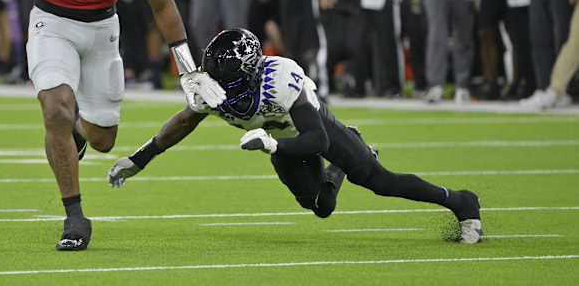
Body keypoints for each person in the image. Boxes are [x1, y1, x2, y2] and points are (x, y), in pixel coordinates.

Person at [0, 0, 226, 251]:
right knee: (56, 107)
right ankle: (74, 215)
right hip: (51, 21)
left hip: (102, 28)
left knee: (103, 139)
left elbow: (161, 2)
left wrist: (188, 68)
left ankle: (76, 132)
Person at [109, 28, 483, 245]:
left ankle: (463, 203)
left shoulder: (281, 79)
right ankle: (336, 170)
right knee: (320, 206)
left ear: (253, 73)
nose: (225, 92)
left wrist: (272, 144)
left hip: (311, 132)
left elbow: (316, 139)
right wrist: (139, 159)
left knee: (377, 181)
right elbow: (184, 122)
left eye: (233, 83)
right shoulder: (212, 86)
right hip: (281, 142)